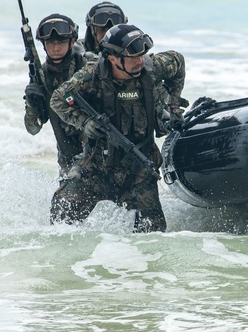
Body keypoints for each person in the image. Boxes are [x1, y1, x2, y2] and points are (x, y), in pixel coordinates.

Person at [48, 24, 186, 232]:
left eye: (142, 55)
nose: (139, 61)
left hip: (140, 166)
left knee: (154, 233)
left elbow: (178, 61)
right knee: (60, 217)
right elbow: (59, 99)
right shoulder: (91, 75)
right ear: (112, 58)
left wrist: (173, 106)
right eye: (132, 58)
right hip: (98, 165)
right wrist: (84, 122)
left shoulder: (151, 66)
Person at [23, 13, 95, 176]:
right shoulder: (41, 76)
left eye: (61, 42)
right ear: (43, 44)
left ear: (72, 41)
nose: (56, 48)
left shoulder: (88, 67)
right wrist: (32, 104)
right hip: (67, 160)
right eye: (51, 43)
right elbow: (33, 129)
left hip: (97, 152)